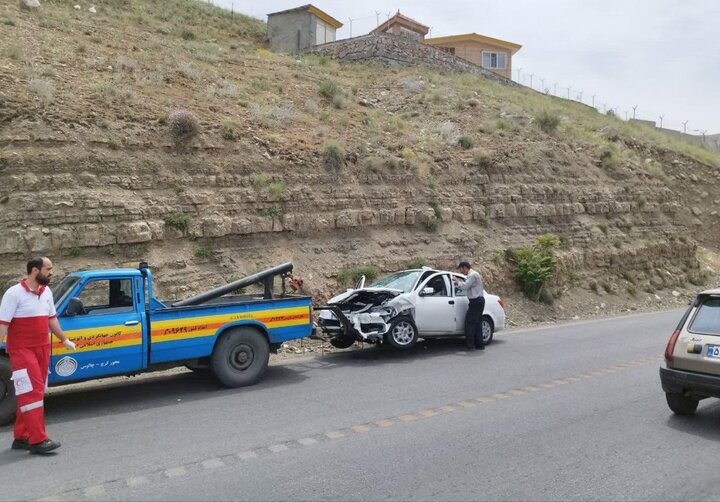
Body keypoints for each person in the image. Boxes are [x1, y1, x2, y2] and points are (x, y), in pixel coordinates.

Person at [0, 257, 76, 454]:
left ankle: (21, 436)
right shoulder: (13, 294)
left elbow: (51, 319)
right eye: (48, 269)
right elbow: (3, 325)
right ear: (35, 270)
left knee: (35, 391)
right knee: (31, 392)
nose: (52, 272)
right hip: (22, 351)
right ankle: (38, 440)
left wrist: (64, 340)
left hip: (42, 349)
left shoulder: (47, 292)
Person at [453, 260, 485, 350]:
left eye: (461, 269)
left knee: (469, 323)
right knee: (477, 323)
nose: (461, 272)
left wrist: (457, 281)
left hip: (476, 301)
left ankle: (470, 346)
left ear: (465, 267)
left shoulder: (472, 275)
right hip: (477, 301)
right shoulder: (472, 275)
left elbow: (465, 286)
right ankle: (479, 345)